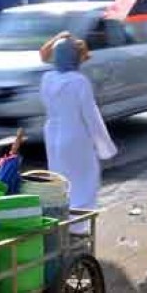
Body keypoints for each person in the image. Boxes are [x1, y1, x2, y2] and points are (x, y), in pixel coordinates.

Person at [39, 33, 118, 233]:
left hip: (52, 136)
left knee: (61, 183)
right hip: (75, 136)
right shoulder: (79, 81)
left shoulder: (47, 78)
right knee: (84, 182)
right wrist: (105, 147)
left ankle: (61, 226)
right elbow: (91, 116)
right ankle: (79, 229)